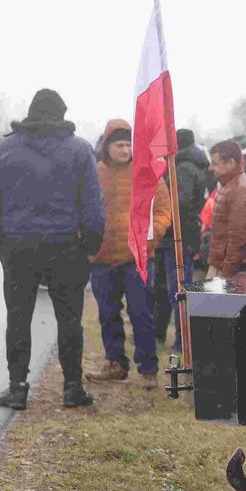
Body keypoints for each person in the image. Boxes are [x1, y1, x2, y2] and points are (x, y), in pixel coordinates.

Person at [0, 89, 103, 410]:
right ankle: (72, 388)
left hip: (19, 247)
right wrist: (90, 246)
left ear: (31, 112)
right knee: (70, 319)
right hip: (66, 247)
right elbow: (92, 207)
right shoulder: (80, 150)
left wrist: (1, 244)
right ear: (61, 114)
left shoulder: (3, 150)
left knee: (18, 318)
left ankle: (17, 388)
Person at [85, 119, 172, 384]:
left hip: (137, 259)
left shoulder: (146, 173)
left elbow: (163, 211)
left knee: (141, 313)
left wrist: (150, 238)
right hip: (101, 258)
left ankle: (148, 370)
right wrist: (87, 242)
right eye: (119, 145)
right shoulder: (94, 173)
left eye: (128, 144)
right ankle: (115, 364)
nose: (124, 150)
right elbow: (83, 208)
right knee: (108, 315)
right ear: (106, 146)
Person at [153, 129, 209, 352]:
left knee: (176, 289)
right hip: (181, 235)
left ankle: (181, 342)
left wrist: (165, 223)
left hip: (177, 236)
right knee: (171, 287)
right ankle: (168, 336)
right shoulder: (192, 165)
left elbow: (180, 204)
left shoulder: (183, 169)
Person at [206, 140, 246, 278]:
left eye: (215, 163)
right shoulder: (230, 186)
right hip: (226, 265)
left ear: (230, 163)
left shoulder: (239, 191)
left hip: (233, 269)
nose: (210, 168)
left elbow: (237, 239)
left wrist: (226, 276)